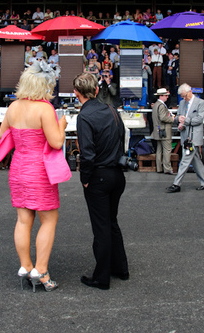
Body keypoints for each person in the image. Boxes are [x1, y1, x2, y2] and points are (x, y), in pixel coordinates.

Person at [0, 62, 67, 292]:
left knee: (23, 220)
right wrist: (63, 126)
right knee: (48, 220)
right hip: (40, 170)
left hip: (19, 167)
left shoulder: (13, 107)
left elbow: (3, 136)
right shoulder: (44, 108)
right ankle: (42, 270)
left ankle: (26, 267)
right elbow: (56, 142)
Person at [73, 72, 129, 290]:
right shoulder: (111, 109)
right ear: (96, 90)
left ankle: (102, 277)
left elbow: (87, 154)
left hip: (99, 176)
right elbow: (122, 137)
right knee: (112, 222)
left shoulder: (84, 117)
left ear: (77, 93)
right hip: (117, 173)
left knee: (101, 227)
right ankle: (120, 268)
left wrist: (85, 179)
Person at [166, 84, 204, 193]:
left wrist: (185, 121)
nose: (184, 98)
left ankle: (176, 184)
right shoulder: (182, 103)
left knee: (185, 161)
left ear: (190, 91)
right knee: (196, 161)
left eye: (185, 96)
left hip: (194, 136)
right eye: (182, 96)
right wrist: (179, 120)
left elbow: (200, 119)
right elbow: (178, 117)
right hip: (185, 134)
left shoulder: (201, 103)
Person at [151, 88, 174, 174]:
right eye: (166, 95)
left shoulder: (156, 105)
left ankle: (159, 168)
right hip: (164, 131)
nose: (167, 97)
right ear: (161, 96)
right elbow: (163, 118)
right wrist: (172, 119)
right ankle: (167, 168)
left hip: (158, 131)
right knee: (167, 150)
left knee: (159, 150)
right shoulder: (161, 106)